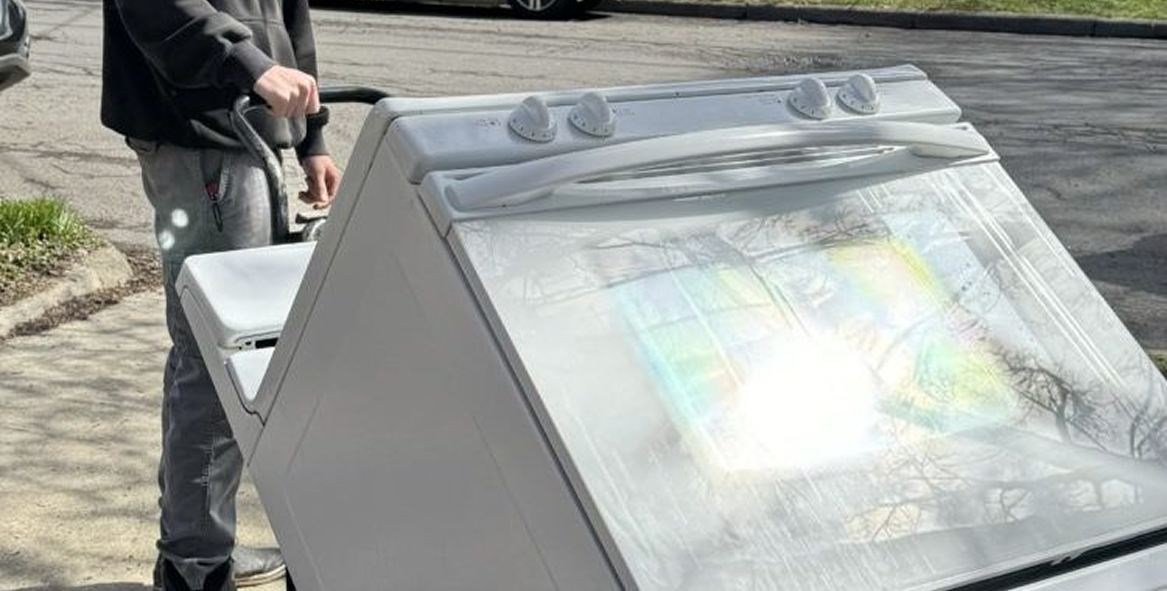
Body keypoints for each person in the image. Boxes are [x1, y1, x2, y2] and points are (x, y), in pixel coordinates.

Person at [100, 0, 341, 590]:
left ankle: (202, 548)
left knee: (248, 349)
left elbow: (290, 19)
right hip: (199, 130)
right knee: (215, 354)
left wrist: (312, 136)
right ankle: (194, 564)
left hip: (251, 127)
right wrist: (243, 60)